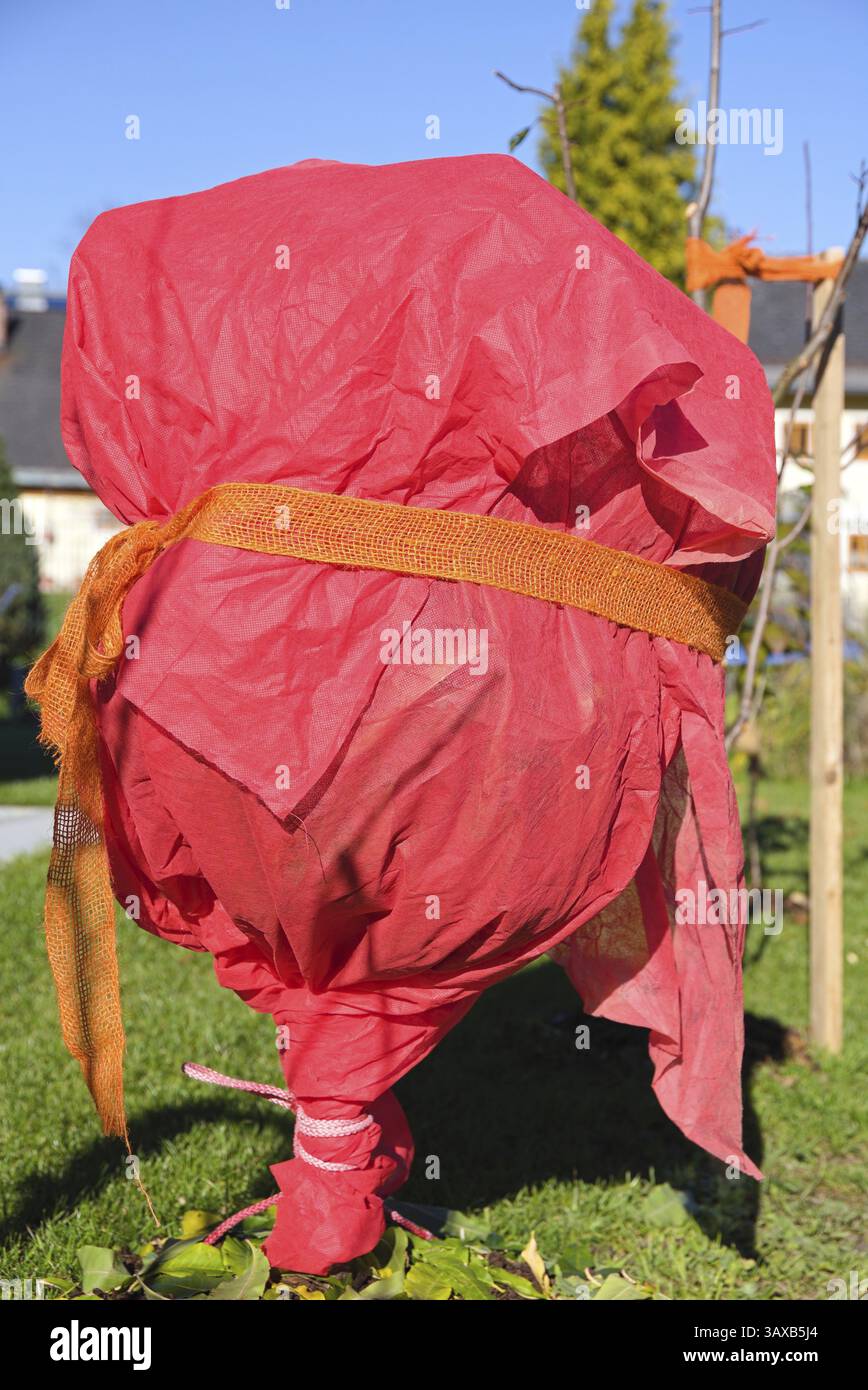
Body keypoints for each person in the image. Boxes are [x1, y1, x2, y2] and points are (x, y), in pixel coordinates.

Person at [27, 154, 775, 1275]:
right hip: (332, 665)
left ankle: (336, 1154)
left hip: (217, 652)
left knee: (340, 936)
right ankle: (337, 1150)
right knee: (363, 934)